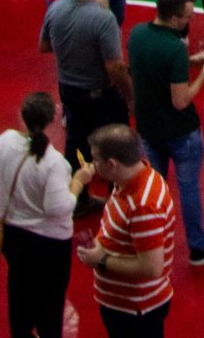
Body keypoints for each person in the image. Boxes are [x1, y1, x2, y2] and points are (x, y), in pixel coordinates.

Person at [127, 0, 204, 267]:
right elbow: (180, 101)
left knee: (152, 189)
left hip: (148, 128)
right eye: (187, 17)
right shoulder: (173, 49)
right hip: (181, 131)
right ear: (174, 19)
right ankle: (197, 247)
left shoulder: (137, 35)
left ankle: (150, 241)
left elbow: (152, 67)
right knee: (188, 188)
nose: (190, 21)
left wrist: (189, 61)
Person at [0, 92, 83, 338]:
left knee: (19, 290)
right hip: (50, 244)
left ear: (22, 115)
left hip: (13, 236)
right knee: (51, 300)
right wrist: (78, 184)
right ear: (52, 119)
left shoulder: (4, 141)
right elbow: (58, 208)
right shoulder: (55, 162)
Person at [77, 124, 177, 338]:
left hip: (136, 309)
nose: (92, 164)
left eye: (96, 159)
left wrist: (102, 260)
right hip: (125, 304)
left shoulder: (143, 205)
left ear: (112, 164)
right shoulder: (128, 180)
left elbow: (151, 267)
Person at [38, 0, 131, 168]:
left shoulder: (55, 8)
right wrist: (129, 93)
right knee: (115, 143)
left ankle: (77, 186)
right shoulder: (104, 19)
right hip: (99, 92)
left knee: (75, 142)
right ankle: (115, 186)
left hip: (68, 88)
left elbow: (44, 45)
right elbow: (114, 67)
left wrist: (71, 46)